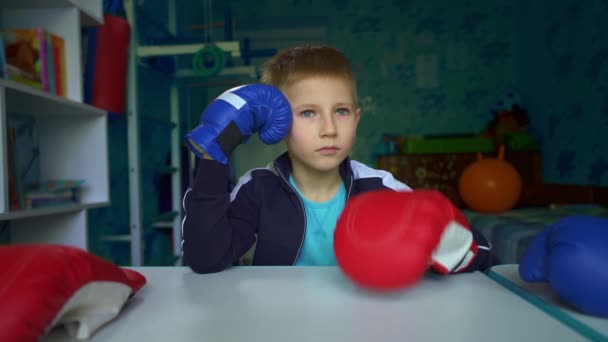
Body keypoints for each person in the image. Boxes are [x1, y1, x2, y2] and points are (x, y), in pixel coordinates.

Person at [181, 44, 492, 274]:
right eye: (308, 113)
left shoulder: (379, 188)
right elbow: (205, 259)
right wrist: (214, 153)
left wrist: (438, 242)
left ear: (356, 120)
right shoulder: (258, 189)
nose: (329, 129)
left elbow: (483, 253)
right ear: (277, 122)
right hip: (279, 323)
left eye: (340, 111)